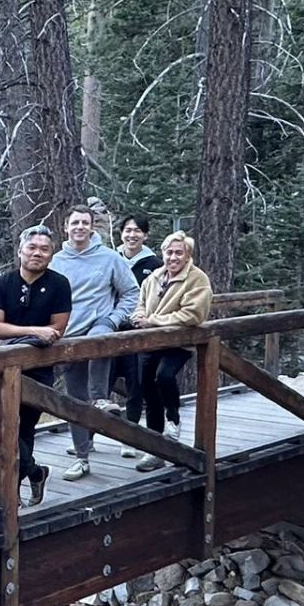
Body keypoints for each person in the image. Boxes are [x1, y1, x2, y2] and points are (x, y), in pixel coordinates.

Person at [49, 205, 138, 480]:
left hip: (99, 325)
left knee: (98, 339)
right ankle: (81, 456)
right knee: (75, 400)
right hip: (68, 335)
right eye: (74, 223)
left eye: (85, 223)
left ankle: (100, 397)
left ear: (92, 227)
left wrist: (114, 318)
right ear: (66, 227)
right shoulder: (57, 261)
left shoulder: (109, 258)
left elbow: (131, 292)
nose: (79, 227)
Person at [0, 226, 72, 505]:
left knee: (24, 431)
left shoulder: (59, 284)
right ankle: (34, 472)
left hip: (38, 372)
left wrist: (20, 334)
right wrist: (34, 332)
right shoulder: (2, 283)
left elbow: (57, 329)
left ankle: (11, 495)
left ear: (51, 254)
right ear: (20, 250)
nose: (37, 253)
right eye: (32, 247)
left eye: (44, 249)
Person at [132, 232, 213, 471]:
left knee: (164, 376)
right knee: (146, 385)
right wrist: (138, 317)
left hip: (180, 341)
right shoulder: (154, 277)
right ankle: (156, 447)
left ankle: (173, 418)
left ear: (188, 255)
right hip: (152, 342)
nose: (173, 257)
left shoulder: (197, 279)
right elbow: (140, 304)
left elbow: (193, 315)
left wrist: (153, 320)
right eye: (169, 252)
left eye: (179, 252)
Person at [109, 214, 164, 458]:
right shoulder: (111, 258)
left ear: (145, 234)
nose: (132, 235)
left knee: (136, 385)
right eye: (128, 230)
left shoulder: (155, 264)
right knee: (101, 384)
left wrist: (147, 318)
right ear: (121, 233)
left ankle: (128, 437)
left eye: (137, 230)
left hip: (138, 332)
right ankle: (86, 435)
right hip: (110, 330)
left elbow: (162, 297)